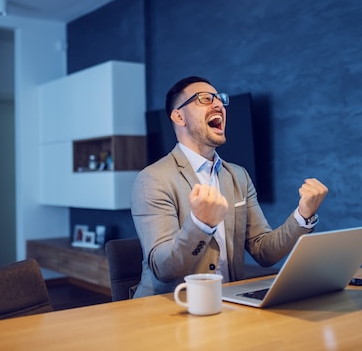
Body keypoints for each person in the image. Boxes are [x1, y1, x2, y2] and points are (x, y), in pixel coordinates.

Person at [130, 76, 328, 298]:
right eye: (204, 99)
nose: (218, 105)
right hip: (168, 310)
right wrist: (201, 224)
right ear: (179, 116)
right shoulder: (153, 179)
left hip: (227, 304)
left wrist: (303, 215)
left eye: (220, 99)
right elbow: (163, 268)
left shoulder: (238, 176)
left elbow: (264, 251)